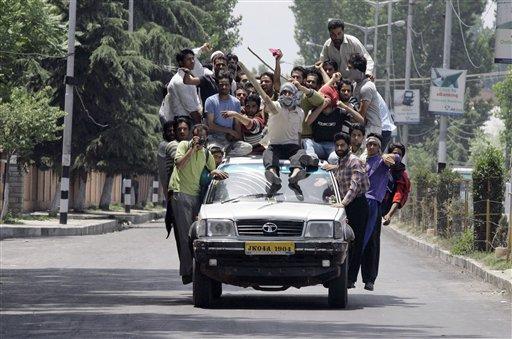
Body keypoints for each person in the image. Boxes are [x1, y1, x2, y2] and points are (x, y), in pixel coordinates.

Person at [239, 61, 317, 185]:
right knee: (268, 154)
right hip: (275, 145)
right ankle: (272, 173)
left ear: (295, 95)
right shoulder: (276, 106)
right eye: (284, 92)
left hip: (292, 147)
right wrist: (263, 95)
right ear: (280, 94)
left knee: (300, 153)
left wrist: (298, 146)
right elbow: (268, 102)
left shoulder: (300, 112)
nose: (287, 95)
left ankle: (296, 172)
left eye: (290, 93)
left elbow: (298, 133)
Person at [169, 124, 228, 284]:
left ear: (206, 138)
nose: (198, 139)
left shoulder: (206, 152)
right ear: (192, 136)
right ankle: (187, 272)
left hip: (196, 196)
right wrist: (192, 149)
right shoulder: (183, 145)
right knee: (184, 236)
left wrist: (214, 171)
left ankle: (199, 270)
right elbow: (179, 164)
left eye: (201, 137)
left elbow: (212, 169)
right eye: (196, 136)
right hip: (180, 193)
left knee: (197, 236)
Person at [323, 132, 369, 291]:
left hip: (357, 205)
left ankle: (350, 279)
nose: (339, 148)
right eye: (337, 146)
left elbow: (354, 186)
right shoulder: (341, 162)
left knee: (355, 243)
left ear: (349, 146)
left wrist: (342, 203)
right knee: (341, 242)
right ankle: (338, 276)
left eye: (343, 145)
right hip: (344, 205)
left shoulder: (355, 161)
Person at [360, 133, 401, 291]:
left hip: (374, 205)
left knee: (371, 242)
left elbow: (397, 157)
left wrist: (387, 156)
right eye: (369, 144)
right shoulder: (361, 161)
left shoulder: (382, 161)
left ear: (379, 147)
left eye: (375, 145)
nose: (371, 147)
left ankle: (370, 279)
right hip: (359, 202)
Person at [305, 73, 364, 161]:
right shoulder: (316, 111)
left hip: (333, 147)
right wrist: (321, 106)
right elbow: (307, 122)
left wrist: (345, 107)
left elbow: (361, 121)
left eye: (326, 97)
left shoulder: (340, 112)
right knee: (306, 141)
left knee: (333, 158)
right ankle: (312, 160)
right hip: (318, 145)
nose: (324, 99)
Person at [204, 70, 252, 156]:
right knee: (214, 151)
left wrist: (237, 137)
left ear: (230, 86)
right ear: (217, 85)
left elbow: (237, 124)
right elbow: (210, 125)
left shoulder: (236, 102)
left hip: (229, 139)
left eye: (226, 85)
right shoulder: (210, 101)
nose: (224, 87)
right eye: (221, 85)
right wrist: (230, 131)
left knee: (247, 147)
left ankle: (224, 153)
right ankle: (220, 154)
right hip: (215, 138)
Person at [158, 118, 191, 238]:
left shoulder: (183, 145)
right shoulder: (170, 146)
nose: (172, 133)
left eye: (174, 130)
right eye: (169, 131)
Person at [342, 53, 382, 136]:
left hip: (371, 130)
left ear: (357, 70)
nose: (347, 70)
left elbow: (361, 116)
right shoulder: (355, 85)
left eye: (350, 68)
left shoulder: (366, 87)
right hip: (361, 129)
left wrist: (345, 108)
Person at [167, 48, 207, 123]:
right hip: (183, 122)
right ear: (181, 62)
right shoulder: (179, 81)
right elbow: (191, 109)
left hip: (192, 119)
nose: (192, 61)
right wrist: (200, 126)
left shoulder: (190, 77)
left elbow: (196, 102)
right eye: (188, 59)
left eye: (193, 59)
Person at [382, 142, 411, 225]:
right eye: (394, 153)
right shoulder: (382, 165)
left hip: (383, 208)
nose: (397, 156)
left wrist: (389, 215)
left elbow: (398, 197)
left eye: (399, 155)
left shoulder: (401, 175)